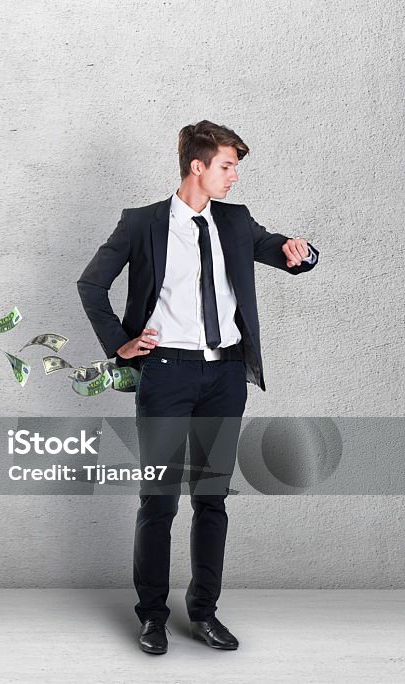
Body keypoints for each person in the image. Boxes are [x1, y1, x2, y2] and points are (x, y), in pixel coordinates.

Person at [77, 121, 318, 655]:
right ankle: (152, 618)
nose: (234, 177)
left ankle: (204, 613)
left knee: (212, 499)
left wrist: (301, 251)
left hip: (225, 377)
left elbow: (279, 250)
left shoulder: (234, 220)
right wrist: (119, 342)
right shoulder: (143, 223)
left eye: (235, 167)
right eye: (227, 166)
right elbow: (91, 283)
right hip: (166, 375)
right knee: (158, 500)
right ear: (198, 167)